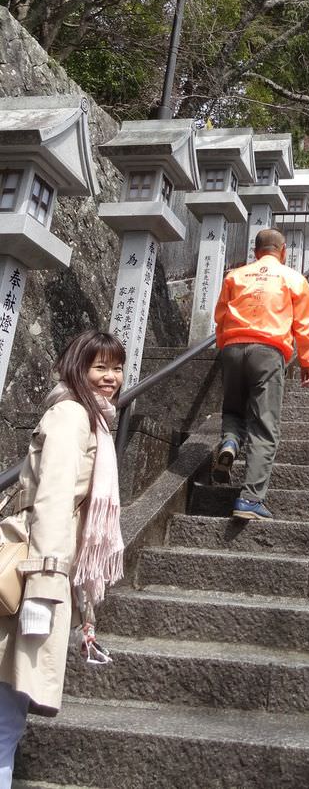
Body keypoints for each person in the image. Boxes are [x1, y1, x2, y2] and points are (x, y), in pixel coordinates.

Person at [0, 330, 125, 788]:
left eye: (117, 367)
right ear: (78, 367)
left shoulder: (88, 417)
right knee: (6, 719)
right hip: (31, 574)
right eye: (100, 367)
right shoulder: (73, 415)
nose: (111, 377)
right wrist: (45, 588)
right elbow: (53, 501)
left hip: (36, 568)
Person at [212, 227, 309, 521]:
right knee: (264, 425)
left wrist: (225, 346)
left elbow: (220, 317)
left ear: (255, 252)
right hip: (268, 351)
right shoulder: (293, 278)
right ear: (283, 252)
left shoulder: (235, 276)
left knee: (233, 408)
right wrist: (307, 361)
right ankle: (250, 499)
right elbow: (304, 326)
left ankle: (230, 442)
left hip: (232, 348)